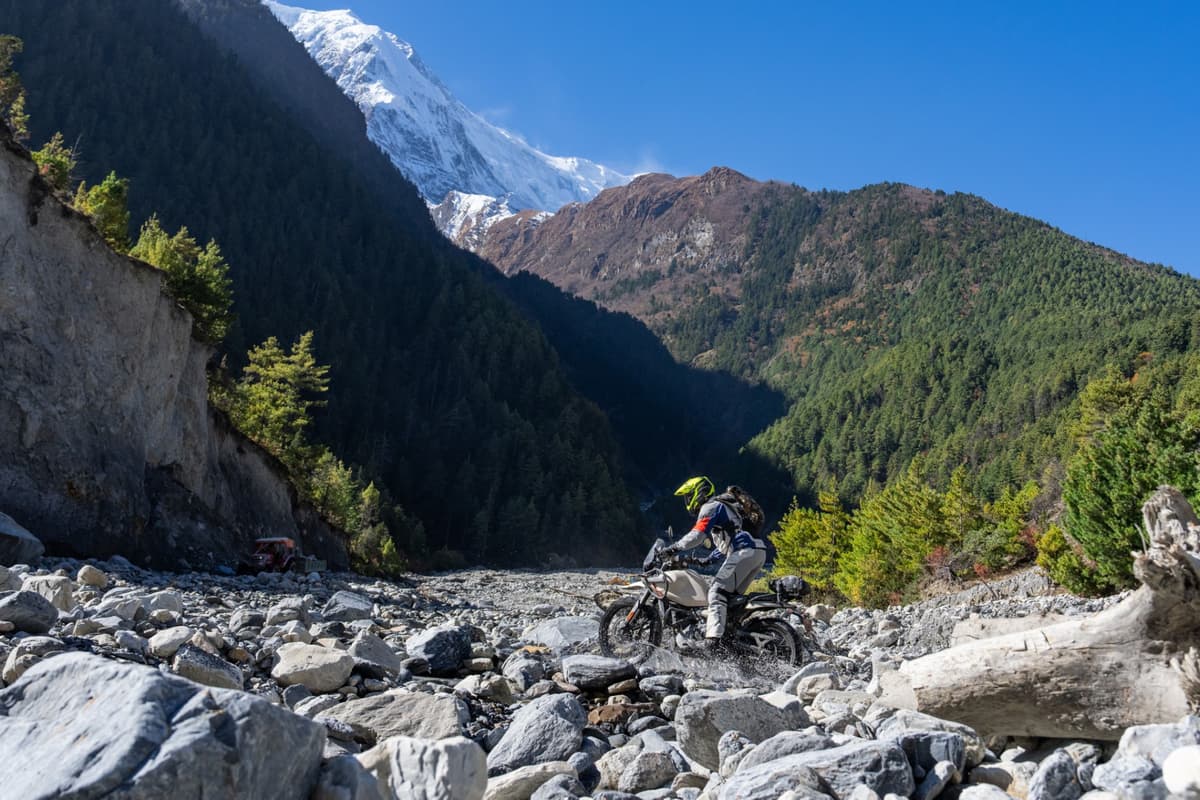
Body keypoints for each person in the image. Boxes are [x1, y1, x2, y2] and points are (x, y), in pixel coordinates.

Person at [662, 476, 767, 650]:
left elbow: (698, 535)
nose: (687, 501)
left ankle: (713, 641)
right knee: (731, 600)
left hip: (744, 552)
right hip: (757, 552)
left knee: (716, 592)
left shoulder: (710, 506)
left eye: (688, 496)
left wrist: (672, 548)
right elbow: (729, 541)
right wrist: (708, 560)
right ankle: (731, 638)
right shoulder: (724, 506)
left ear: (699, 492)